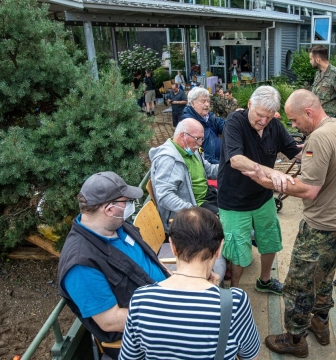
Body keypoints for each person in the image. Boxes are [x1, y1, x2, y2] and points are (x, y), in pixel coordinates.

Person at [242, 89, 336, 357]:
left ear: (308, 112)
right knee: (325, 276)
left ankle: (295, 340)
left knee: (298, 285)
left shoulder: (318, 138)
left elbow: (308, 190)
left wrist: (264, 179)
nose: (293, 126)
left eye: (294, 120)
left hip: (322, 226)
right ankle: (321, 323)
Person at [57, 172, 173, 359]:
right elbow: (110, 321)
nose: (130, 206)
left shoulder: (117, 225)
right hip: (146, 337)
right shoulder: (81, 264)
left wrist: (178, 282)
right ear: (109, 209)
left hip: (165, 301)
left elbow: (151, 260)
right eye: (126, 202)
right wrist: (170, 312)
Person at [118, 208, 261, 360]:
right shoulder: (234, 302)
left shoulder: (141, 299)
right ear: (219, 248)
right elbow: (250, 356)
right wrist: (218, 291)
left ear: (172, 246)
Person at [217, 85, 301, 292]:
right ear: (249, 105)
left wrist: (319, 153)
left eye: (269, 117)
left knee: (270, 239)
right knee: (238, 250)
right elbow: (236, 160)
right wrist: (273, 173)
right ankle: (235, 291)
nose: (263, 121)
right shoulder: (234, 123)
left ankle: (265, 281)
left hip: (263, 198)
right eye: (260, 115)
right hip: (234, 201)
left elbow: (297, 153)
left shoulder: (275, 127)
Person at [182, 87, 226, 164]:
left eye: (208, 101)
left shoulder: (207, 117)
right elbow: (199, 157)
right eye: (203, 101)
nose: (207, 104)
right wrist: (222, 165)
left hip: (221, 160)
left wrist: (237, 120)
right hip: (212, 168)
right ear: (192, 103)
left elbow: (224, 125)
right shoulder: (190, 124)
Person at [309, 45, 336, 121]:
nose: (310, 61)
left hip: (329, 121)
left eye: (311, 59)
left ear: (318, 60)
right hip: (317, 119)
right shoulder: (318, 73)